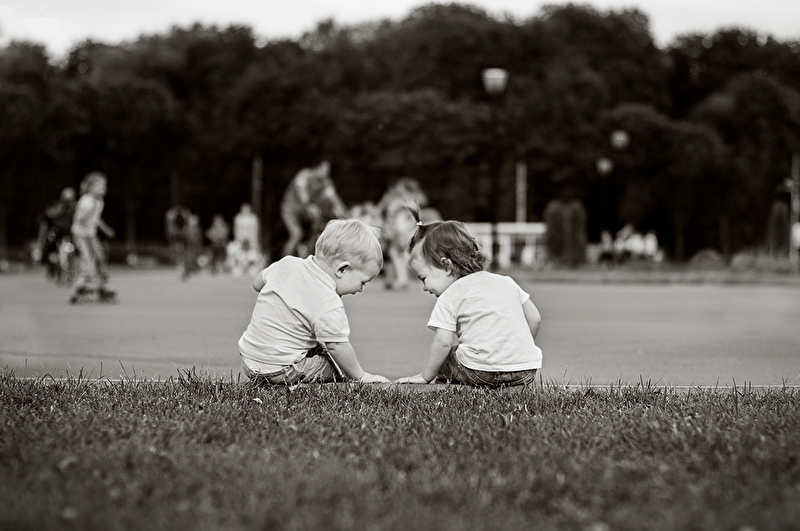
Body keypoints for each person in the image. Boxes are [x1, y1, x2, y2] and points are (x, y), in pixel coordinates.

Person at [396, 205, 542, 387]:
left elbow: (443, 342)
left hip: (479, 373)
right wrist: (514, 353)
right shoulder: (506, 281)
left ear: (446, 265)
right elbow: (534, 319)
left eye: (423, 278)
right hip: (525, 371)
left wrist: (425, 377)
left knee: (445, 359)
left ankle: (444, 390)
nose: (424, 288)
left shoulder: (450, 295)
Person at [238, 218, 390, 385]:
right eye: (363, 282)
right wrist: (360, 376)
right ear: (342, 269)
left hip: (249, 360)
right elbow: (337, 346)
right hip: (281, 369)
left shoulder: (288, 263)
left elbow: (257, 284)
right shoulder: (328, 300)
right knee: (334, 362)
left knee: (316, 344)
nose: (361, 289)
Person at [280, 160, 347, 258]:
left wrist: (347, 214)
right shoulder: (304, 175)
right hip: (290, 210)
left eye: (328, 171)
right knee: (296, 234)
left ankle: (306, 254)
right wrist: (310, 206)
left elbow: (333, 198)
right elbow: (302, 194)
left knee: (319, 227)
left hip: (305, 211)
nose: (326, 173)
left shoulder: (325, 181)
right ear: (316, 167)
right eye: (324, 170)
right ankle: (284, 261)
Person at [70, 172, 116, 303]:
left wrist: (106, 229)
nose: (103, 189)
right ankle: (82, 287)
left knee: (100, 258)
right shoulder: (86, 201)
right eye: (100, 186)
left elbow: (96, 219)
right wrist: (88, 215)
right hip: (80, 235)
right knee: (87, 260)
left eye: (104, 186)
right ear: (90, 188)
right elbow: (79, 219)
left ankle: (102, 286)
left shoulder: (99, 201)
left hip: (91, 235)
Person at [35, 187, 77, 283]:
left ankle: (72, 270)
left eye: (70, 198)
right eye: (66, 198)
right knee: (49, 244)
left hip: (69, 232)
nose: (68, 201)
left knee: (74, 248)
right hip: (56, 231)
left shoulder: (75, 207)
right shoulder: (57, 206)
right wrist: (61, 209)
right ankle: (51, 266)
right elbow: (48, 215)